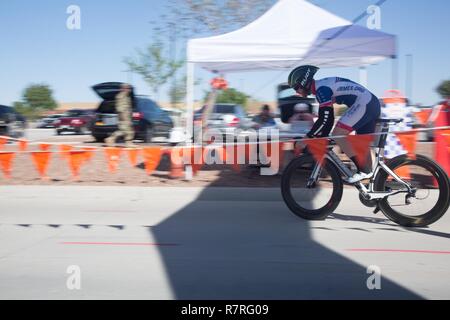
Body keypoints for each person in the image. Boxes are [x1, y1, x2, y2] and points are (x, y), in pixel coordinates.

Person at [288, 65, 381, 183]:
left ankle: (363, 171)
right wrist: (321, 135)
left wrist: (307, 138)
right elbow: (329, 119)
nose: (296, 91)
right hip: (370, 102)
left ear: (304, 83)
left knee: (338, 133)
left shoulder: (322, 90)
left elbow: (325, 119)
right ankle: (375, 185)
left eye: (296, 87)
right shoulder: (322, 87)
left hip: (365, 103)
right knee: (362, 146)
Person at [105, 84, 135, 148]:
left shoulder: (127, 96)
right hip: (123, 115)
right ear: (124, 89)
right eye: (128, 88)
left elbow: (128, 107)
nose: (129, 90)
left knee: (129, 129)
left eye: (129, 88)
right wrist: (123, 116)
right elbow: (120, 108)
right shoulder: (121, 96)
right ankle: (110, 139)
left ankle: (129, 143)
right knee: (124, 130)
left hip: (127, 115)